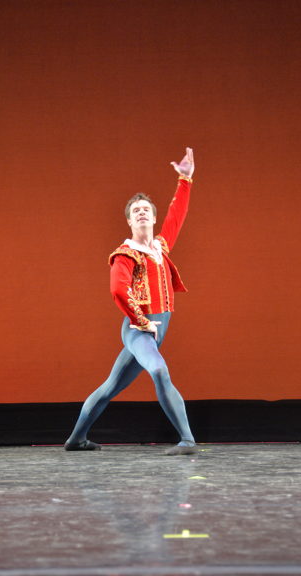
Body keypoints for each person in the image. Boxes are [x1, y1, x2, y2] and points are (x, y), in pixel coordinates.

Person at [65, 147, 198, 456]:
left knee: (110, 386)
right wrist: (142, 322)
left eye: (146, 209)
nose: (141, 212)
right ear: (129, 220)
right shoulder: (125, 254)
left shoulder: (160, 246)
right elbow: (118, 290)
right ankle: (187, 440)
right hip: (139, 331)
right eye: (136, 210)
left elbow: (177, 216)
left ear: (153, 217)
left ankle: (76, 439)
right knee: (159, 370)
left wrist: (185, 180)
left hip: (153, 329)